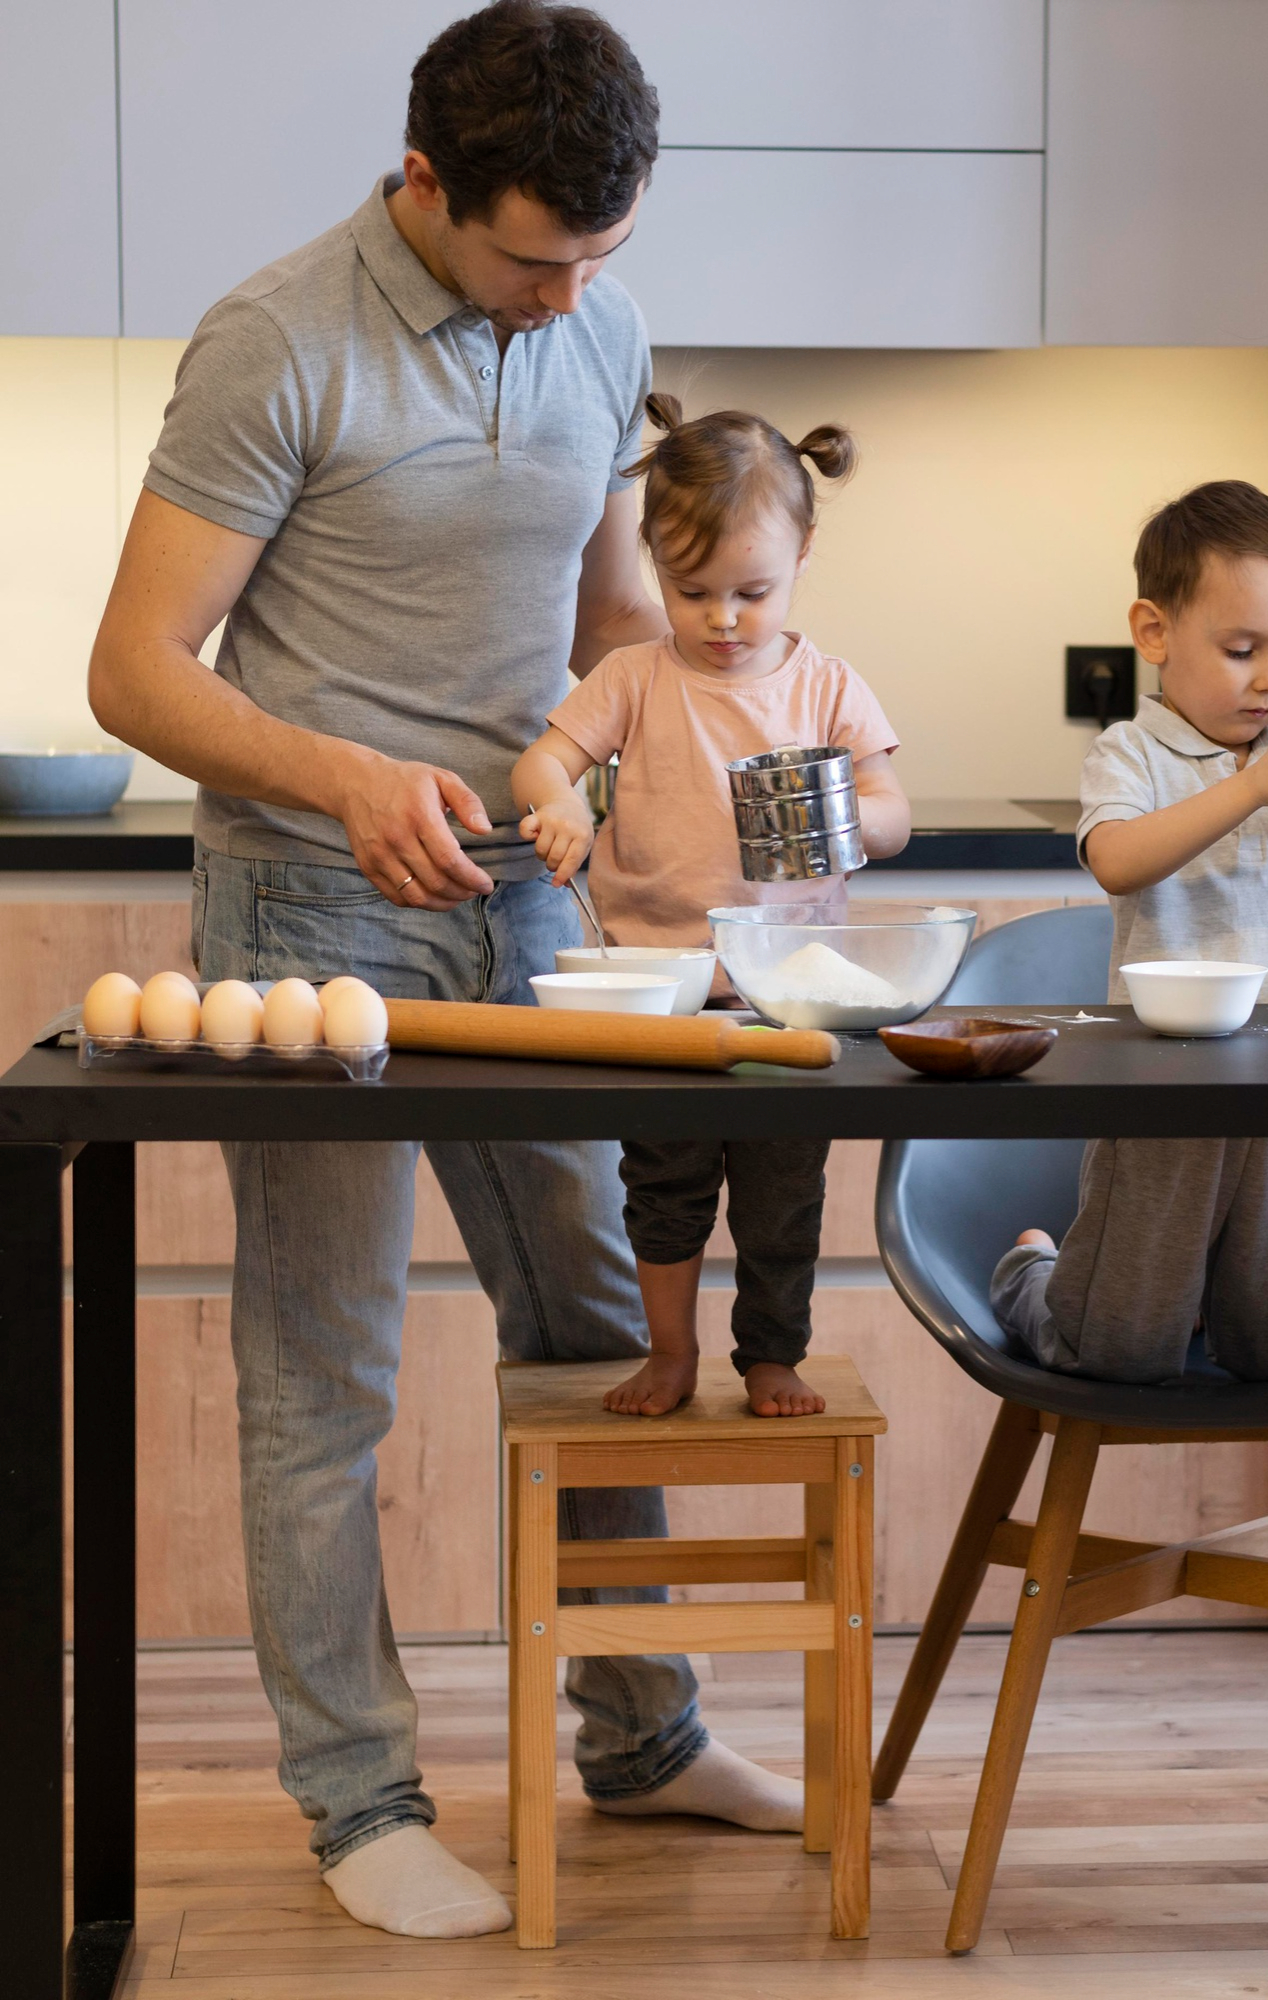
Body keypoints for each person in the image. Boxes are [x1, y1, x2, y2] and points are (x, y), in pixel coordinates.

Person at [87, 2, 803, 1942]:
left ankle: (641, 1735)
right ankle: (359, 1795)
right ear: (423, 184)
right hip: (317, 909)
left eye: (602, 257)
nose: (571, 296)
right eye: (534, 258)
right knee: (326, 1373)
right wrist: (343, 775)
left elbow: (607, 611)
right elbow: (136, 667)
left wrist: (692, 739)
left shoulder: (600, 324)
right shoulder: (276, 336)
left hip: (534, 901)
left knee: (599, 1334)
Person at [512, 394, 909, 1420]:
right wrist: (555, 801)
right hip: (661, 998)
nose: (724, 618)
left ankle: (772, 1354)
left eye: (752, 591)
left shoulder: (825, 685)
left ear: (804, 555)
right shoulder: (634, 679)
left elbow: (892, 809)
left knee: (783, 1196)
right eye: (693, 592)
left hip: (790, 1000)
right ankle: (673, 1352)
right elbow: (544, 759)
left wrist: (852, 827)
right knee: (664, 1188)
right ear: (650, 562)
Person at [990, 480, 1268, 1378]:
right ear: (1154, 633)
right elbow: (1117, 860)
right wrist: (1250, 787)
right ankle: (1031, 1275)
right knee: (1120, 1345)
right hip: (1165, 1073)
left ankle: (1222, 1308)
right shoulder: (1129, 753)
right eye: (1242, 648)